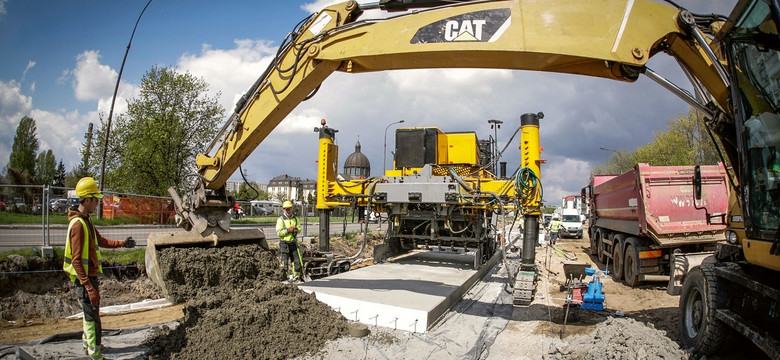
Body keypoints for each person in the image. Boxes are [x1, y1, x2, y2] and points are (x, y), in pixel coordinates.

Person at [63, 177, 135, 360]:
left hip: (88, 277)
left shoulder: (86, 220)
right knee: (93, 319)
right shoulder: (78, 225)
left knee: (90, 314)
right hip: (84, 278)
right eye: (96, 199)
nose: (98, 203)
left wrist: (122, 243)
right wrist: (88, 287)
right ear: (87, 199)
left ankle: (88, 345)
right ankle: (96, 355)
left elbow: (101, 241)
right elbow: (77, 261)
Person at [276, 200, 303, 282]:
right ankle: (285, 277)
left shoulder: (295, 219)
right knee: (284, 262)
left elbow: (299, 229)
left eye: (289, 209)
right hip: (284, 243)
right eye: (286, 209)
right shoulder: (280, 220)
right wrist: (288, 230)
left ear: (291, 209)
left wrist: (296, 230)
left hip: (293, 243)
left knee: (296, 261)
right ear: (283, 209)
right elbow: (279, 232)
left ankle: (296, 277)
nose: (288, 210)